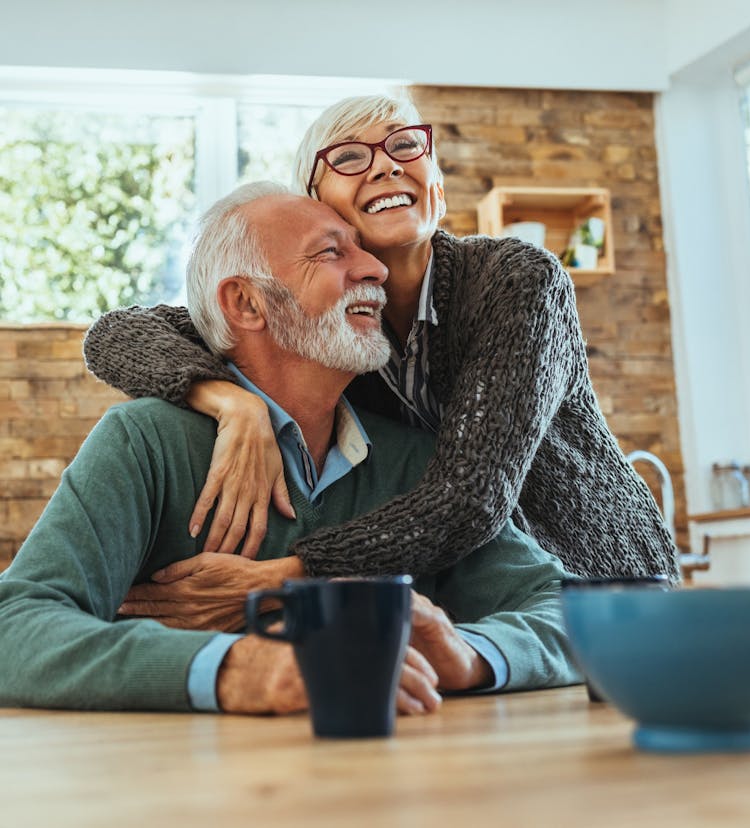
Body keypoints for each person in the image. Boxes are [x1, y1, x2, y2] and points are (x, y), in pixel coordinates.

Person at [0, 182, 580, 714]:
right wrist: (234, 669)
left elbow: (569, 611)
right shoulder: (145, 443)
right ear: (247, 305)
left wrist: (470, 655)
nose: (375, 267)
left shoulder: (416, 461)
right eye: (331, 253)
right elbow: (14, 626)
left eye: (362, 249)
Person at [83, 95, 679, 612]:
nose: (386, 164)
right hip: (469, 597)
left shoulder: (516, 281)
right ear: (314, 203)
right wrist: (234, 404)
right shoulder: (326, 326)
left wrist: (285, 579)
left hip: (597, 582)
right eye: (348, 157)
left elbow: (471, 496)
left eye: (405, 147)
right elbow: (116, 334)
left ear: (436, 188)